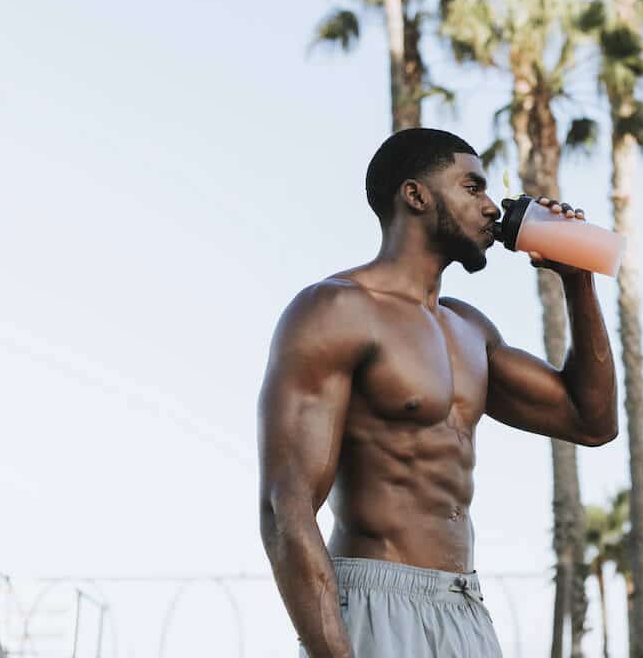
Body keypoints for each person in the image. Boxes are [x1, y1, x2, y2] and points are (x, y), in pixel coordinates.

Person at [257, 128, 618, 657]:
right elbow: (284, 508)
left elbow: (592, 421)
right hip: (374, 602)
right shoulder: (336, 309)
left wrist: (578, 282)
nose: (493, 207)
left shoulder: (469, 330)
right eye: (472, 187)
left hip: (464, 607)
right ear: (416, 195)